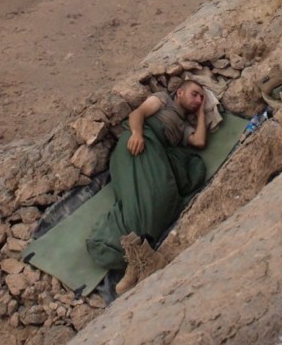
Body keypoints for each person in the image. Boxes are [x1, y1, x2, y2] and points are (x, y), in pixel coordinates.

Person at [86, 80, 209, 294]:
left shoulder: (183, 126)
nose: (198, 100)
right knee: (147, 194)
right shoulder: (164, 100)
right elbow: (138, 114)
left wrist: (200, 114)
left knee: (164, 197)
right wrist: (137, 134)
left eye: (201, 98)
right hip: (138, 144)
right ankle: (130, 252)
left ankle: (138, 256)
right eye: (195, 94)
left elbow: (199, 142)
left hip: (156, 153)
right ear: (179, 92)